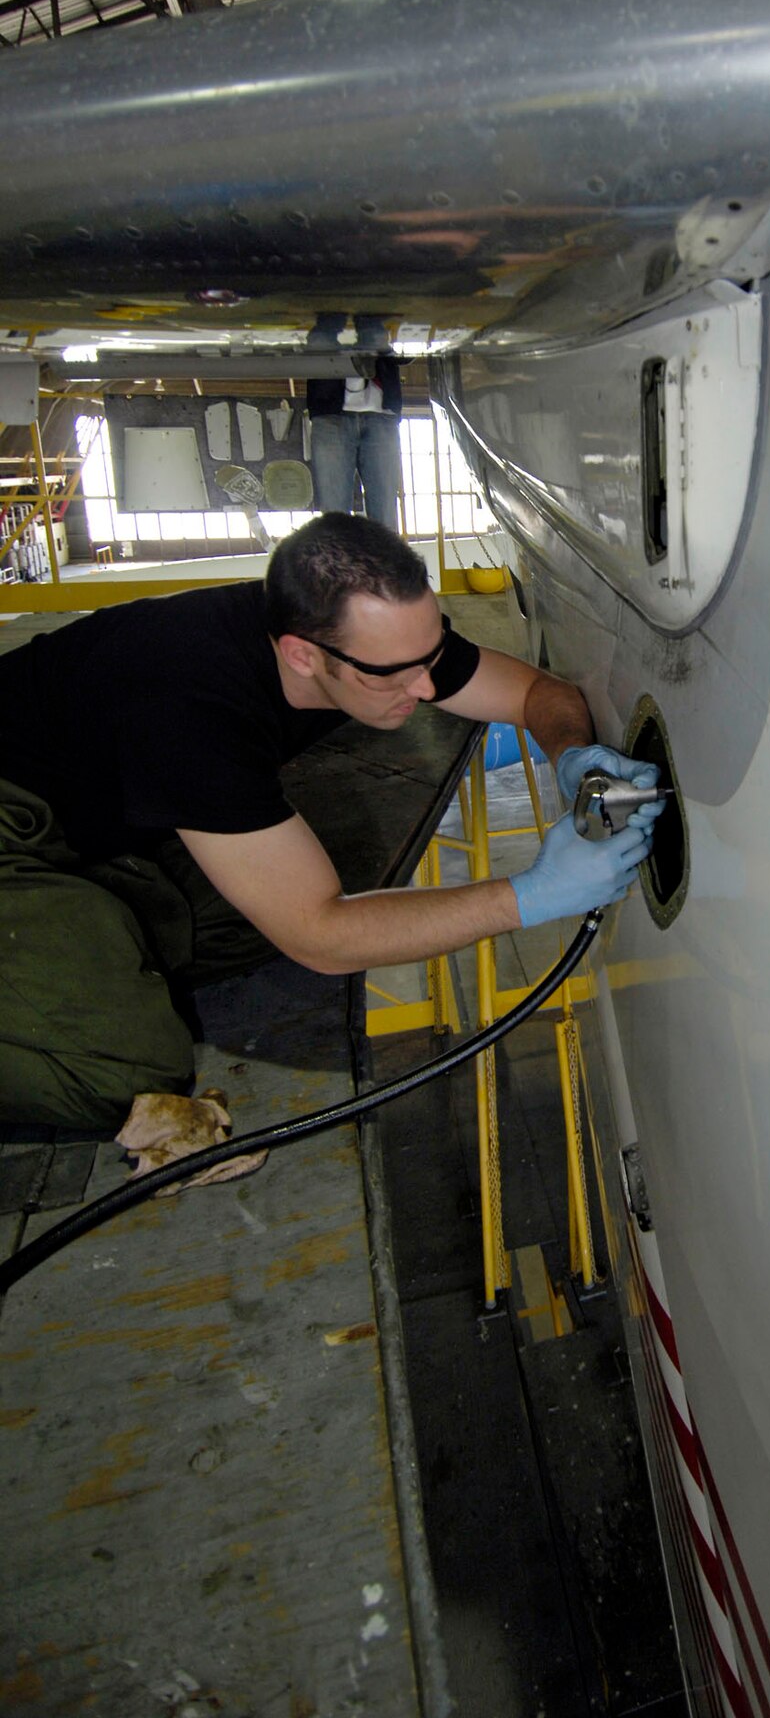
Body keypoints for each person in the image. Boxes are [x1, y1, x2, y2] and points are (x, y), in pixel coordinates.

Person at [0, 513, 661, 1134]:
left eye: (432, 656)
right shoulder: (188, 713)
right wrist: (531, 895)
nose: (428, 690)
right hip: (13, 823)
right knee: (128, 1077)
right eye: (395, 675)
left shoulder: (380, 645)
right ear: (301, 655)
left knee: (305, 888)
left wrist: (572, 754)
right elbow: (321, 937)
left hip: (89, 812)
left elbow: (536, 694)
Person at [305, 312, 402, 528]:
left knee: (384, 517)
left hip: (376, 414)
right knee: (334, 517)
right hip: (334, 413)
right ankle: (335, 315)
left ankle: (356, 315)